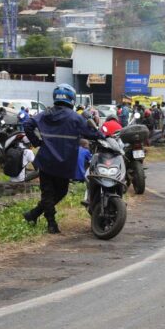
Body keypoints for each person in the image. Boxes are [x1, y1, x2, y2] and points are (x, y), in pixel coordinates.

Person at [23, 84, 103, 234]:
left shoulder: (46, 113)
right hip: (65, 162)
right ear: (71, 98)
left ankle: (35, 215)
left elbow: (27, 124)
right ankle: (50, 223)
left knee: (47, 192)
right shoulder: (76, 118)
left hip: (46, 160)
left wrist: (36, 142)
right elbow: (91, 133)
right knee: (61, 192)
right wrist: (103, 136)